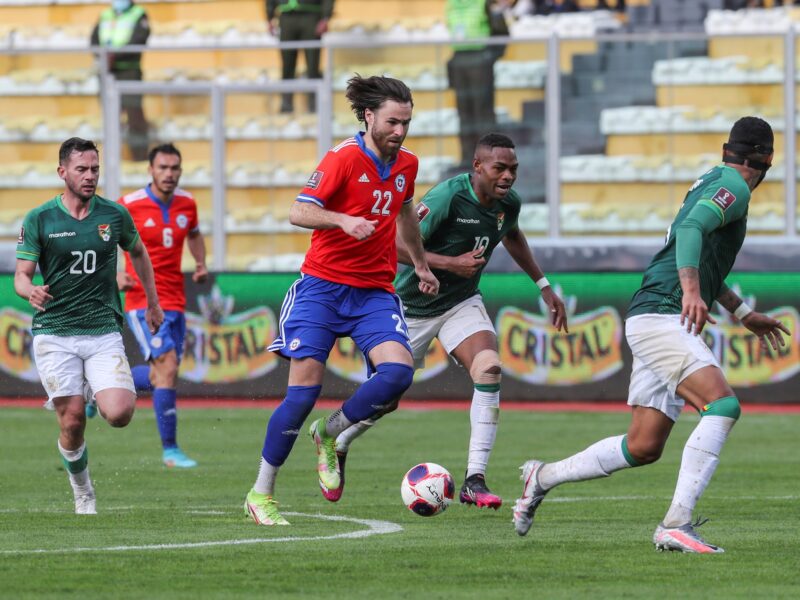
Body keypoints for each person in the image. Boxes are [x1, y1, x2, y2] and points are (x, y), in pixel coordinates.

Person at [512, 117, 791, 553]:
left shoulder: (713, 181)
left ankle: (542, 477)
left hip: (653, 313)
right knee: (722, 405)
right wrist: (693, 293)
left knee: (643, 445)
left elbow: (698, 250)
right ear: (768, 159)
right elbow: (690, 231)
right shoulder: (734, 188)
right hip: (663, 313)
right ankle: (675, 524)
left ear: (726, 149)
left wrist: (742, 311)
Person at [244, 75, 440, 526]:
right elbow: (298, 211)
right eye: (392, 121)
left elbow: (405, 213)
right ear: (369, 116)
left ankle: (329, 434)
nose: (400, 130)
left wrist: (422, 265)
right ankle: (261, 493)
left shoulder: (407, 163)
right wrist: (341, 221)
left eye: (406, 122)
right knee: (302, 395)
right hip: (321, 289)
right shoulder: (343, 158)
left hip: (374, 291)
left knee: (397, 375)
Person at [334, 133, 569, 508]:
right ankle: (339, 441)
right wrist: (447, 264)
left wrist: (543, 285)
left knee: (489, 368)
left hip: (460, 303)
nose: (508, 176)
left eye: (513, 169)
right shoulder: (448, 197)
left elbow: (512, 234)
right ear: (477, 167)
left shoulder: (509, 203)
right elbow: (392, 245)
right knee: (386, 399)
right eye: (499, 168)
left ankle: (474, 479)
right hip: (409, 307)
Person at [14, 137, 163, 514]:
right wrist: (30, 291)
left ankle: (95, 388)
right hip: (55, 331)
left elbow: (139, 253)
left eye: (95, 169)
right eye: (82, 169)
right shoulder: (40, 219)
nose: (90, 176)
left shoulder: (114, 215)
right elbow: (21, 276)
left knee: (119, 414)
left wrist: (152, 300)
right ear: (62, 172)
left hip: (101, 329)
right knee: (73, 421)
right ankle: (83, 493)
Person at [114, 143, 208, 468]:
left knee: (161, 375)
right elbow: (100, 239)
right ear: (150, 170)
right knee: (167, 366)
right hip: (142, 300)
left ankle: (99, 382)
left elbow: (194, 234)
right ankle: (170, 450)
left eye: (174, 168)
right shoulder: (129, 205)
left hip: (176, 300)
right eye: (163, 168)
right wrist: (115, 274)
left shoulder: (187, 203)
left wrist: (199, 263)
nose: (169, 174)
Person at [445, 0, 508, 166]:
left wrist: (489, 57)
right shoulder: (452, 4)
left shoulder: (484, 3)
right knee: (464, 112)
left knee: (483, 111)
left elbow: (501, 31)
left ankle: (489, 157)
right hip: (460, 58)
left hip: (480, 58)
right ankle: (467, 158)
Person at [91, 0, 151, 161]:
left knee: (134, 116)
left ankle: (139, 159)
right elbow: (94, 40)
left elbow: (139, 39)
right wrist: (103, 56)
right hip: (106, 71)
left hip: (128, 70)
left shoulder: (138, 14)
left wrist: (115, 56)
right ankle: (111, 160)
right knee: (110, 118)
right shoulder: (106, 14)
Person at [266, 0, 334, 114]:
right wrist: (269, 16)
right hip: (286, 17)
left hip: (311, 16)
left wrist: (326, 17)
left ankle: (314, 107)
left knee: (313, 65)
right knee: (287, 65)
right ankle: (286, 106)